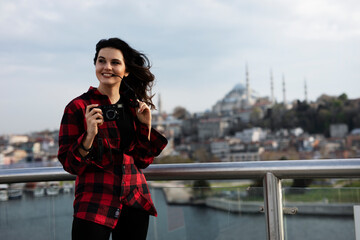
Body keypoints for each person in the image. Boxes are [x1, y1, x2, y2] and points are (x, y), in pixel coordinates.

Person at [58, 38, 168, 240]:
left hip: (134, 198)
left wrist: (146, 125)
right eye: (101, 61)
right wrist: (89, 135)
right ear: (95, 65)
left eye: (115, 62)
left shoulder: (134, 107)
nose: (107, 67)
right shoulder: (78, 107)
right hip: (93, 201)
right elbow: (70, 164)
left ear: (126, 70)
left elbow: (143, 160)